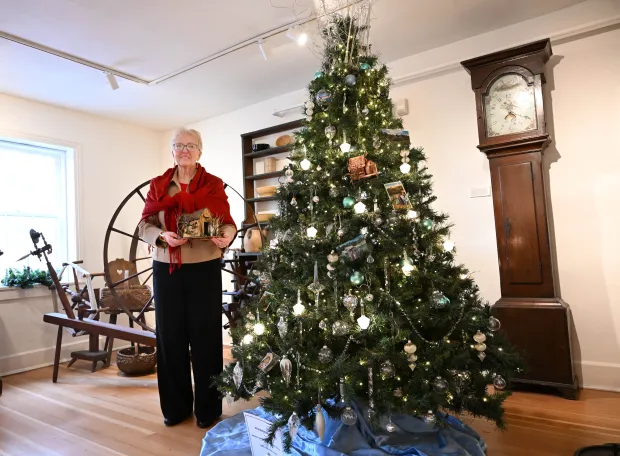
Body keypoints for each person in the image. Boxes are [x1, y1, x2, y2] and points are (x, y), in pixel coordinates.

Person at [138, 128, 236, 428]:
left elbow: (229, 224)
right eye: (179, 145)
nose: (184, 150)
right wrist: (163, 236)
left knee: (206, 337)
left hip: (204, 265)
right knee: (169, 338)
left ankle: (208, 410)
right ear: (172, 151)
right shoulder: (158, 186)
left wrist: (225, 239)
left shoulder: (213, 185)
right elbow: (144, 226)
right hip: (167, 267)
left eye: (190, 146)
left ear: (199, 151)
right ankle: (175, 409)